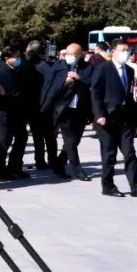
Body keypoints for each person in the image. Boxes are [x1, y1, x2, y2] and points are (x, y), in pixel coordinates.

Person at [90, 39, 137, 198]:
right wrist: (99, 114)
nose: (126, 53)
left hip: (125, 119)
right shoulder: (103, 69)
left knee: (130, 153)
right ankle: (108, 186)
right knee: (109, 154)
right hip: (108, 118)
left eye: (127, 50)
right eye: (122, 50)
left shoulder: (129, 70)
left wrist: (135, 117)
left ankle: (135, 187)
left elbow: (129, 95)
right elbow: (96, 93)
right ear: (113, 52)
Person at [41, 43, 93, 181]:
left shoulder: (87, 67)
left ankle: (58, 164)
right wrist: (66, 82)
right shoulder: (58, 67)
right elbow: (51, 87)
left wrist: (79, 78)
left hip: (80, 109)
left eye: (73, 54)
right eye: (67, 54)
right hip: (63, 109)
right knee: (69, 140)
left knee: (75, 140)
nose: (69, 57)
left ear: (80, 55)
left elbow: (92, 82)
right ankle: (78, 170)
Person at [0, 46, 29, 180]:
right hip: (5, 112)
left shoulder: (15, 70)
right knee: (4, 141)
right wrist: (1, 93)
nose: (18, 59)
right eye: (16, 57)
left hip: (18, 110)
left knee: (21, 138)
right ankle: (1, 170)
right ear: (7, 58)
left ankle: (15, 167)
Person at [22, 40, 57, 170]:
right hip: (44, 104)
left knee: (39, 135)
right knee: (48, 135)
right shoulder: (45, 65)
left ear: (29, 48)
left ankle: (41, 161)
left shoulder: (30, 65)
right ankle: (51, 160)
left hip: (35, 104)